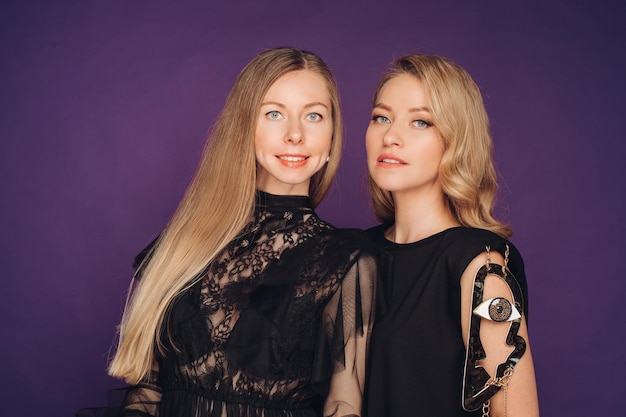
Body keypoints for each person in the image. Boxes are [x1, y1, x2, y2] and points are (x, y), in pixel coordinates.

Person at [107, 47, 379, 417]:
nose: (295, 134)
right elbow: (147, 391)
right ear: (244, 127)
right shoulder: (183, 246)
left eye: (314, 116)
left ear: (332, 136)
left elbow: (344, 405)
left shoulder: (344, 259)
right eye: (273, 114)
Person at [362, 54, 539, 417]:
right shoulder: (351, 254)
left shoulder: (480, 267)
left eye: (420, 122)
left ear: (455, 141)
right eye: (382, 117)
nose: (391, 136)